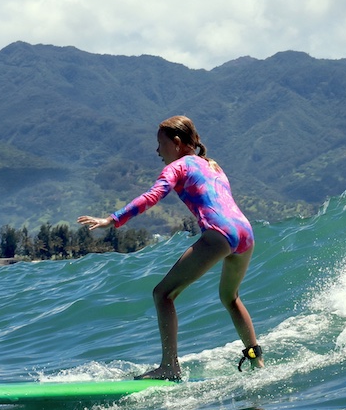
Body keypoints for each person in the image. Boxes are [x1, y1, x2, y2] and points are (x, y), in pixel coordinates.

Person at [78, 115, 264, 381]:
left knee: (162, 294)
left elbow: (151, 196)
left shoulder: (177, 167)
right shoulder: (212, 164)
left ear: (177, 143)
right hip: (245, 232)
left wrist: (113, 219)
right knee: (230, 297)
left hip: (219, 233)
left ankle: (169, 366)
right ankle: (257, 361)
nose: (157, 151)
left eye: (160, 144)